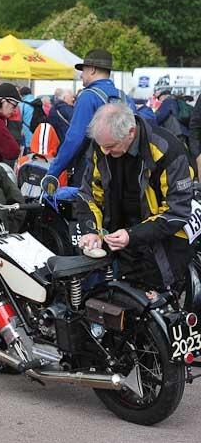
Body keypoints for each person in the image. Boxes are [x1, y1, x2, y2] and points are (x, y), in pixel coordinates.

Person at [76, 103, 192, 289]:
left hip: (160, 245)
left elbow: (177, 211)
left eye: (111, 146)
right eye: (102, 146)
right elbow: (88, 195)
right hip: (117, 239)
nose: (105, 152)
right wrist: (91, 230)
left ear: (131, 132)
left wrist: (133, 235)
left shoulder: (167, 149)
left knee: (155, 308)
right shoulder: (101, 146)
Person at [48, 49, 134, 185]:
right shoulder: (125, 97)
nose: (81, 75)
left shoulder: (88, 97)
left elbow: (75, 139)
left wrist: (52, 173)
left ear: (92, 70)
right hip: (126, 171)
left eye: (84, 70)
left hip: (92, 173)